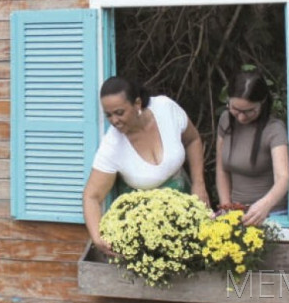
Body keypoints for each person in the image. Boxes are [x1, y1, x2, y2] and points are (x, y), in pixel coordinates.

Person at [82, 76, 209, 255]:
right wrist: (97, 237)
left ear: (137, 104)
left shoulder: (166, 108)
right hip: (146, 231)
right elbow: (91, 196)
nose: (114, 120)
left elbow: (193, 139)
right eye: (108, 115)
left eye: (119, 112)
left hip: (187, 208)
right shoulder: (112, 146)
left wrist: (199, 183)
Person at [216, 70, 289, 226]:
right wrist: (225, 207)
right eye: (236, 109)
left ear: (262, 103)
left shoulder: (274, 129)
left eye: (249, 111)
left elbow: (283, 177)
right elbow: (221, 169)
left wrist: (265, 204)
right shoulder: (225, 121)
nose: (241, 117)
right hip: (236, 213)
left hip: (270, 215)